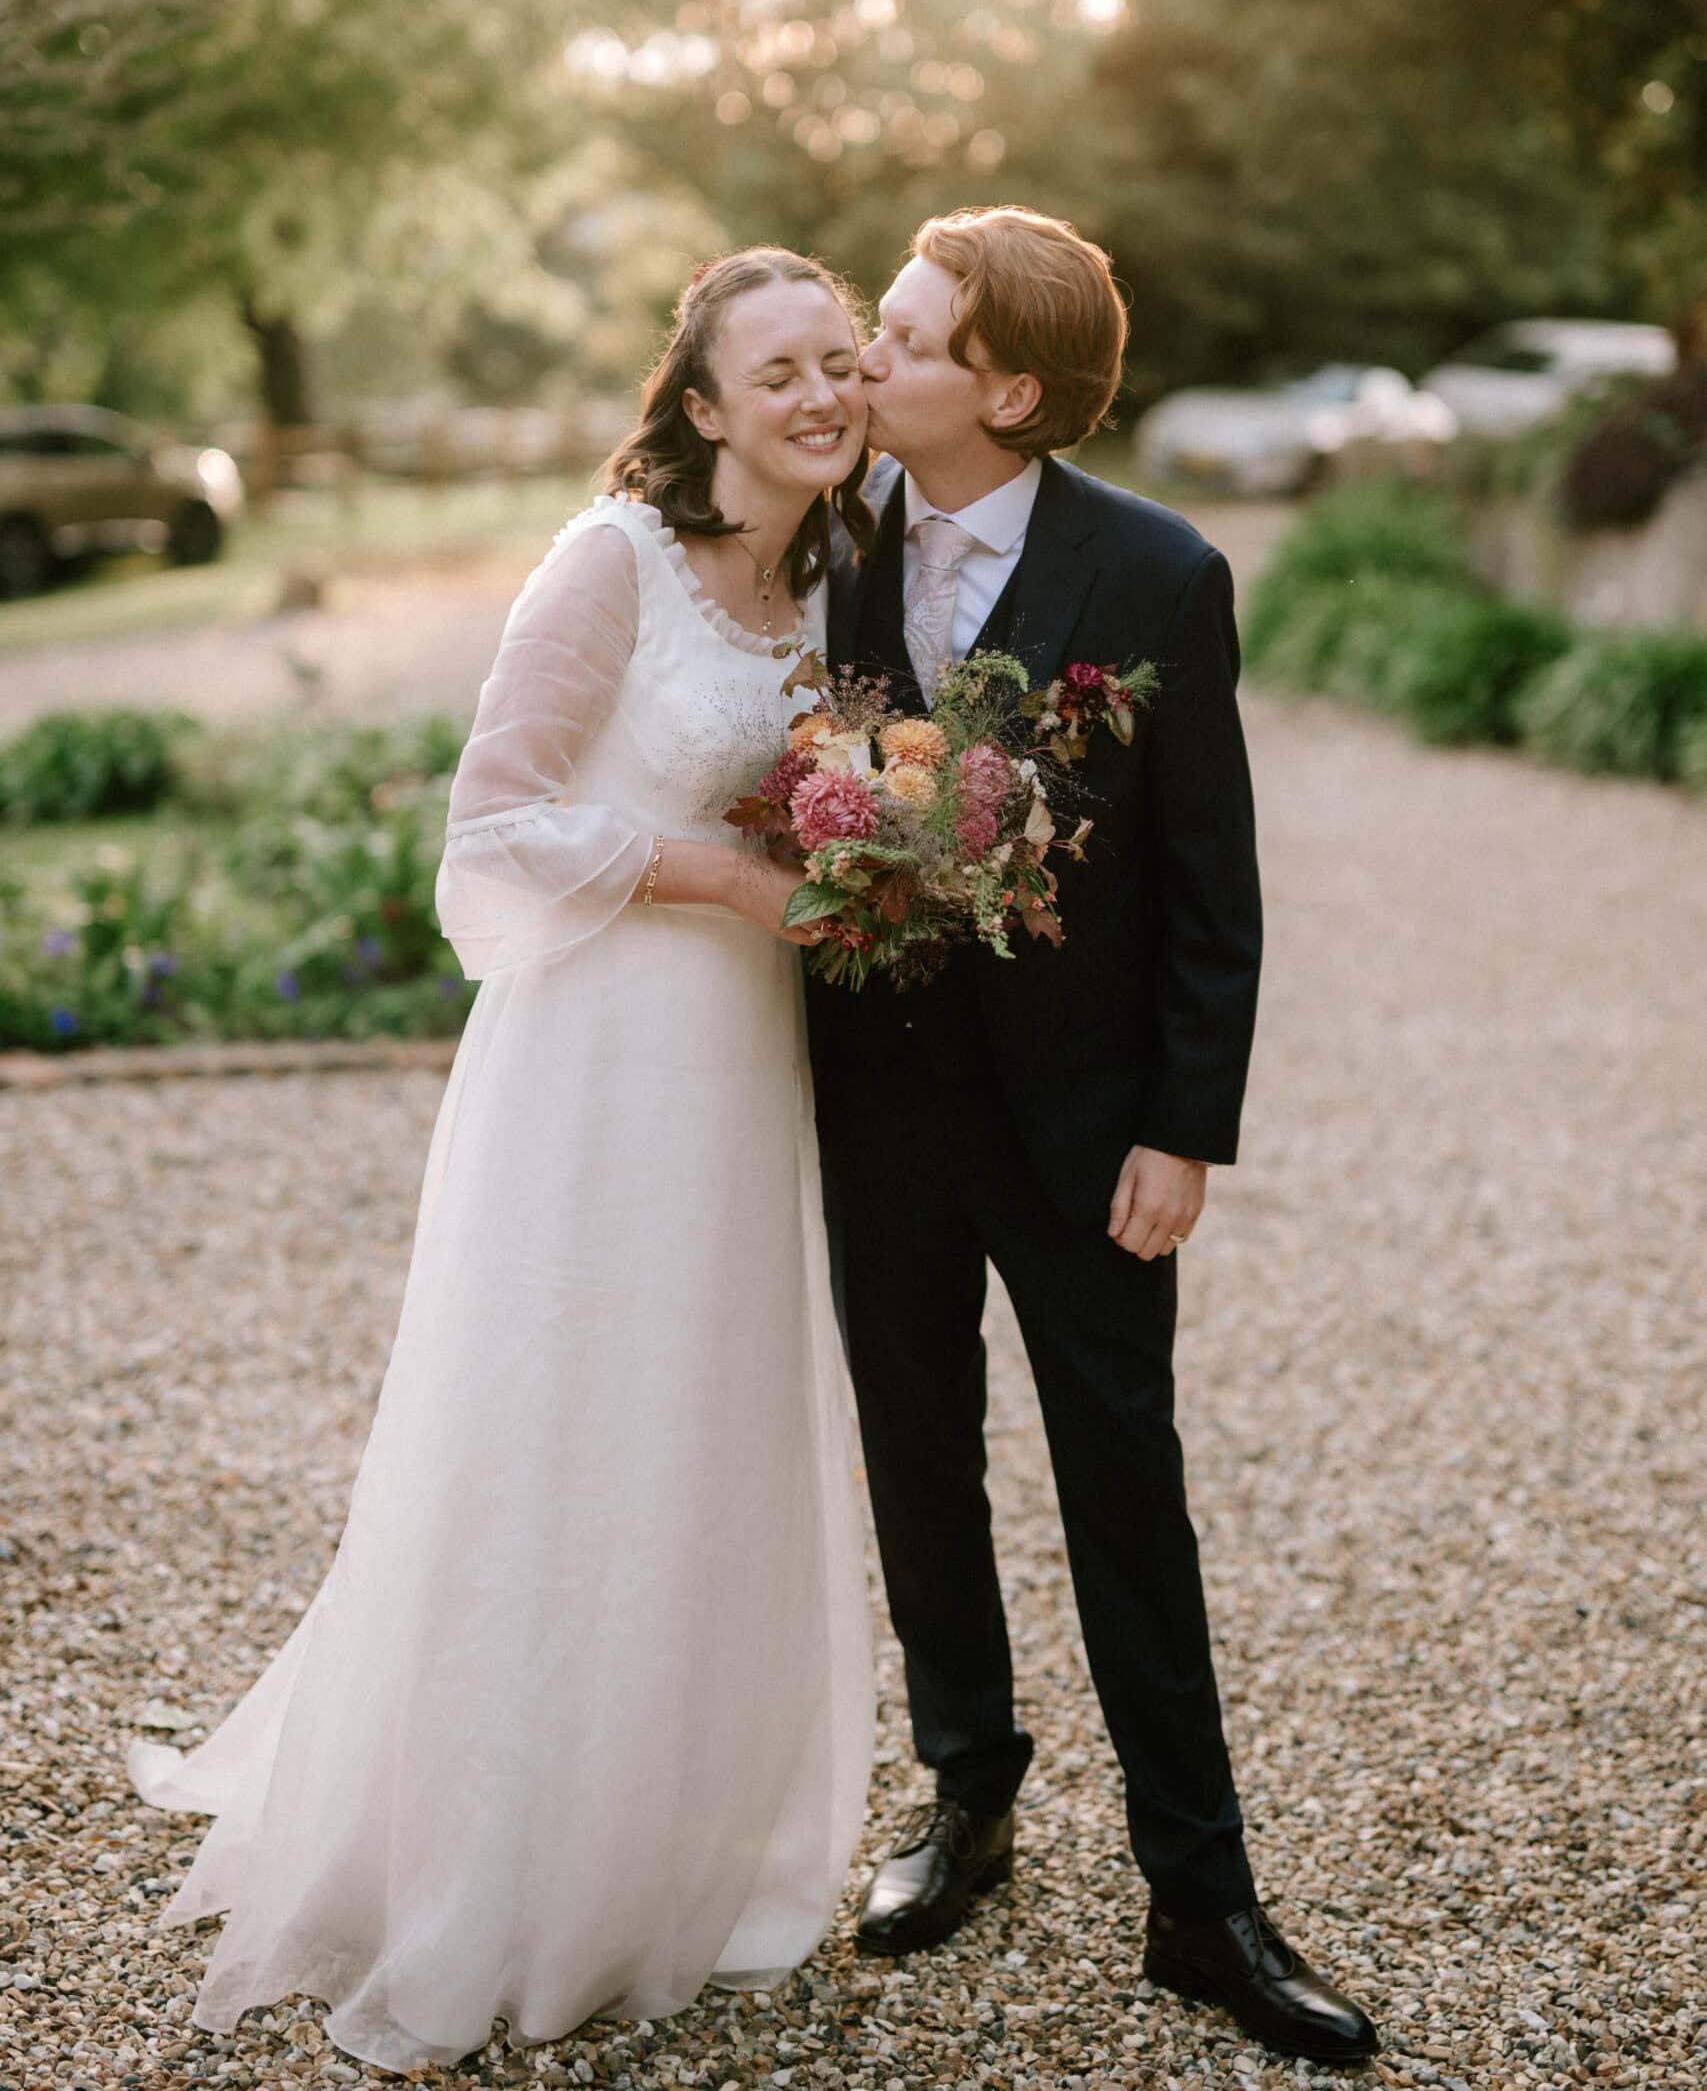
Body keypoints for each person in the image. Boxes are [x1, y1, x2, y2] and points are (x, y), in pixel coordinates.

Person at [128, 250, 878, 2075]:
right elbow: (499, 815)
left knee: (699, 1416)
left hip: (744, 1062)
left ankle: (663, 1831)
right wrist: (723, 873)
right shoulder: (610, 559)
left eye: (843, 362)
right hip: (605, 1049)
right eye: (778, 369)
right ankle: (499, 1857)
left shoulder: (847, 577)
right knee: (564, 1410)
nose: (823, 394)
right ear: (702, 406)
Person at [806, 207, 1380, 2068]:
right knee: (919, 1455)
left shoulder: (1158, 574)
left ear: (1009, 388)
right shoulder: (818, 552)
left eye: (898, 339)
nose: (860, 362)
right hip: (879, 1107)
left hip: (1087, 1132)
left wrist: (1183, 1131)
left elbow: (1213, 886)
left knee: (1127, 1489)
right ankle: (967, 1783)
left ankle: (1202, 1897)